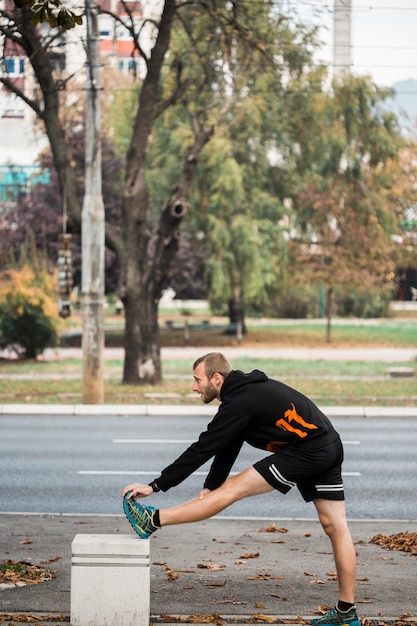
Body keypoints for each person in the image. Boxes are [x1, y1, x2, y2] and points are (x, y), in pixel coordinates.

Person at [122, 352, 359, 626]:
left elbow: (202, 448)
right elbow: (228, 444)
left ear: (217, 378)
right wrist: (211, 485)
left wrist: (155, 485)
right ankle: (346, 612)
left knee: (234, 488)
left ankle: (153, 520)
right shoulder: (246, 393)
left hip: (308, 451)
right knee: (335, 526)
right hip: (329, 443)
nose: (194, 387)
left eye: (197, 380)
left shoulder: (239, 403)